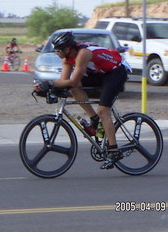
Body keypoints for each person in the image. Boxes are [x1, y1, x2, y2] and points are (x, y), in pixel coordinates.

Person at [34, 31, 130, 169]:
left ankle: (114, 151)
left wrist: (49, 83)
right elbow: (65, 82)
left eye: (58, 50)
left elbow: (72, 80)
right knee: (75, 89)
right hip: (100, 73)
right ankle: (95, 119)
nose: (56, 53)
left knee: (103, 111)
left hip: (115, 73)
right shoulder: (66, 59)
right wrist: (48, 88)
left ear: (67, 48)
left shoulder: (82, 54)